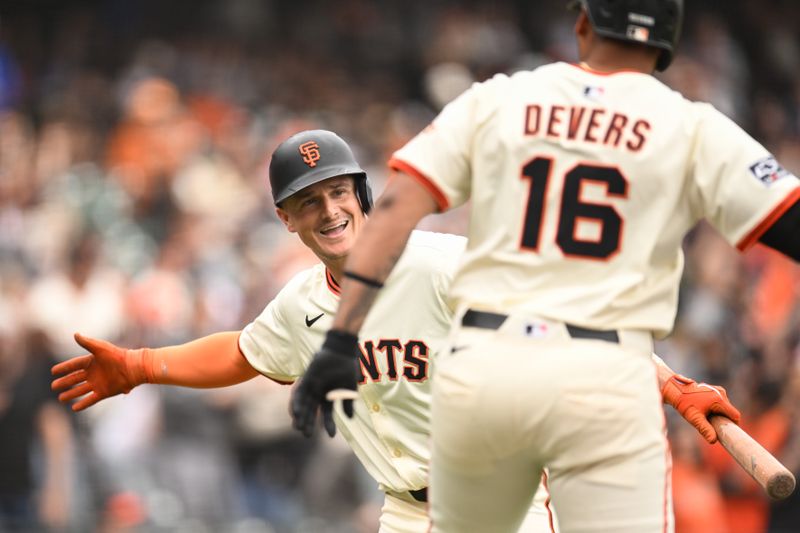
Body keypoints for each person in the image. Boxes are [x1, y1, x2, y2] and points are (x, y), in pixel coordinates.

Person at [53, 130, 739, 532]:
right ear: (286, 219)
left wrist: (672, 385)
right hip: (406, 514)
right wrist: (143, 363)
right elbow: (242, 351)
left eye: (337, 194)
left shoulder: (439, 266)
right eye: (307, 202)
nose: (328, 210)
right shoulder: (300, 305)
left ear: (361, 196)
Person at [289, 1, 800, 532]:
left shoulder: (501, 99)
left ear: (582, 25)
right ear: (667, 47)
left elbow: (394, 209)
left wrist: (342, 337)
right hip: (604, 377)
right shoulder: (693, 127)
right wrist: (670, 385)